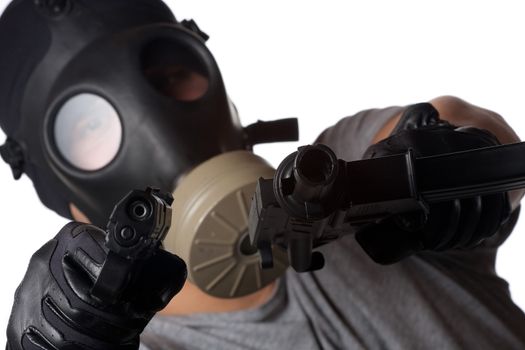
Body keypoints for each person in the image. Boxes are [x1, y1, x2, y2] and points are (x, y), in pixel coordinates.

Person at [1, 0, 525, 349]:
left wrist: (455, 150)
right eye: (91, 124)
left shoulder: (344, 174)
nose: (154, 126)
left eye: (172, 73)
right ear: (63, 195)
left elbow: (460, 120)